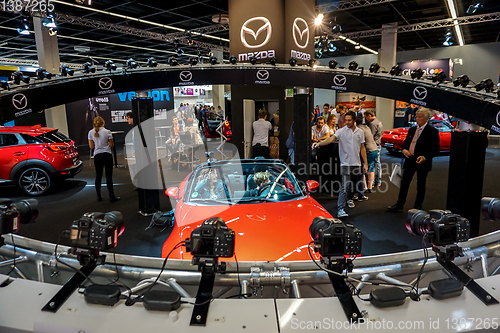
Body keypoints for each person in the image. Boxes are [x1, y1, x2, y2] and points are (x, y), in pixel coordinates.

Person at [314, 111, 368, 218]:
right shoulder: (341, 131)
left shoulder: (360, 132)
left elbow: (362, 148)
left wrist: (365, 163)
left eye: (349, 120)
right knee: (345, 186)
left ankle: (349, 198)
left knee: (354, 184)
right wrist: (319, 143)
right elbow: (331, 139)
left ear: (354, 120)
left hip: (357, 163)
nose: (347, 122)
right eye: (346, 120)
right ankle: (340, 209)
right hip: (345, 164)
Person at [387, 108, 440, 212]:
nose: (417, 119)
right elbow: (406, 143)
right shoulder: (412, 129)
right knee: (404, 183)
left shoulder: (432, 131)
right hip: (410, 159)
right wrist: (404, 150)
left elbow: (435, 149)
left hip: (422, 162)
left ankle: (417, 206)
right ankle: (399, 204)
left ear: (426, 118)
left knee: (420, 184)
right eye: (416, 117)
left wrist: (424, 157)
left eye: (420, 117)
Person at [88, 116, 120, 202]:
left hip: (97, 155)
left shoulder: (90, 132)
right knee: (108, 176)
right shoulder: (107, 132)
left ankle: (98, 196)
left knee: (98, 176)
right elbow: (112, 145)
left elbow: (91, 146)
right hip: (107, 154)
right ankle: (111, 195)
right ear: (103, 123)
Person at [356, 117, 377, 192]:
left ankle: (364, 187)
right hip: (374, 149)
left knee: (363, 169)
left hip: (368, 150)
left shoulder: (359, 130)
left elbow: (361, 143)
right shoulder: (366, 127)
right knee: (371, 168)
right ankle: (370, 187)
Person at [364, 110, 384, 187]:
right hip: (378, 144)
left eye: (366, 117)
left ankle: (373, 182)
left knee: (373, 164)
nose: (366, 119)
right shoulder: (379, 122)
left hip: (374, 145)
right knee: (377, 163)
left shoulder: (372, 124)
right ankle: (378, 181)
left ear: (369, 115)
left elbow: (370, 136)